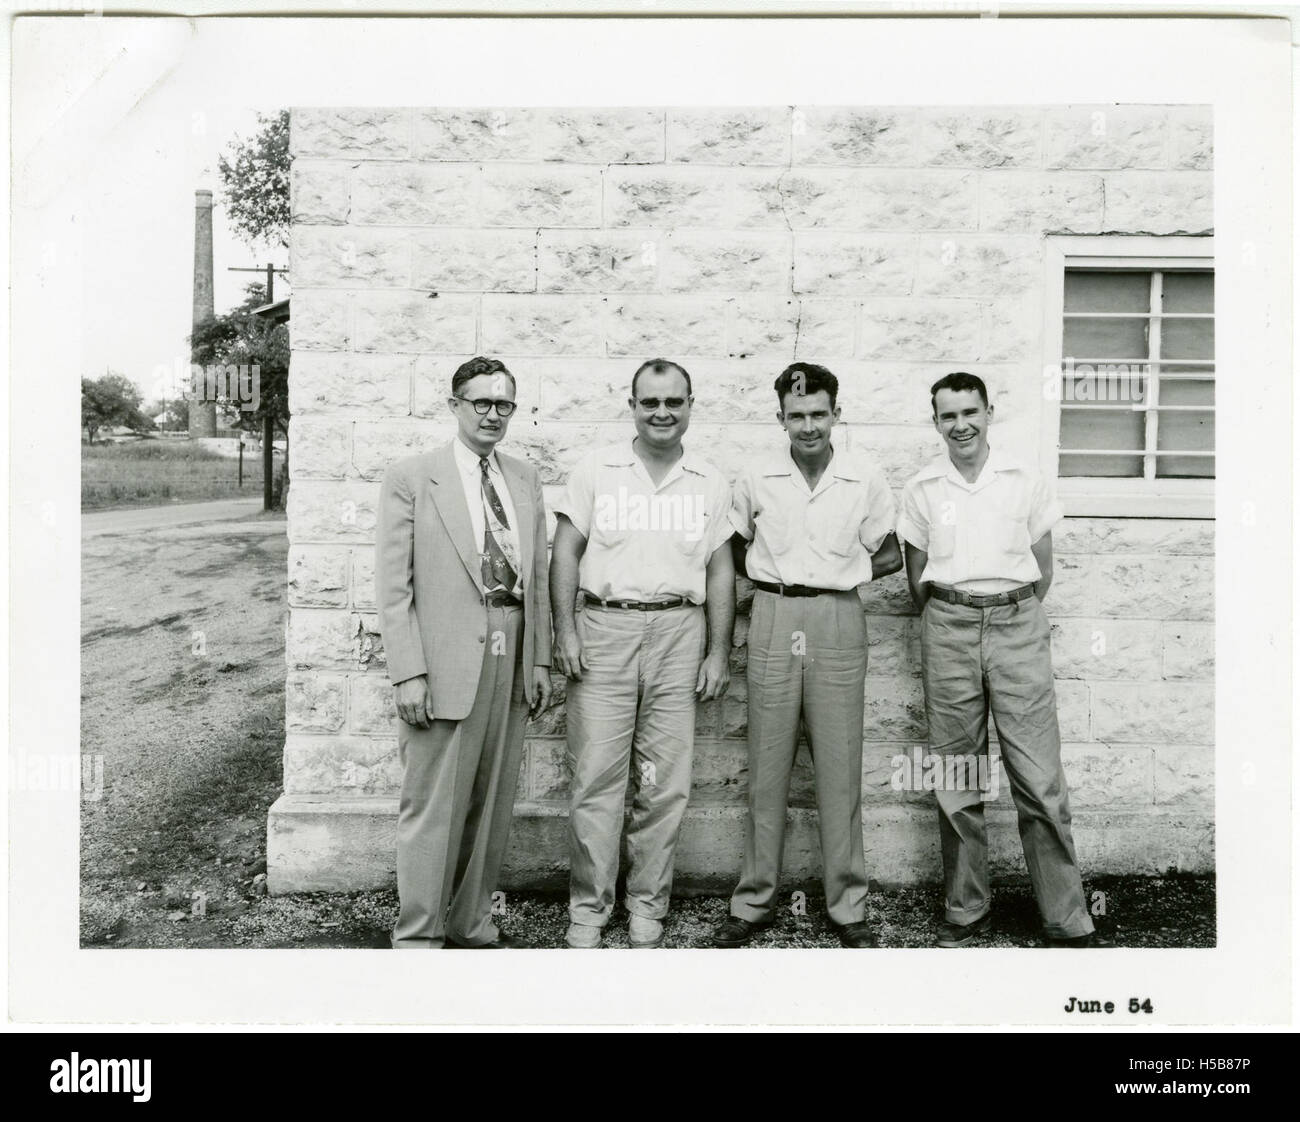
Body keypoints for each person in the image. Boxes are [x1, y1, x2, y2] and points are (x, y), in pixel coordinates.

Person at [896, 371, 1106, 948]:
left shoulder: (1023, 480)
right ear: (935, 421)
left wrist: (1004, 609)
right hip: (948, 625)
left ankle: (1065, 916)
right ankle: (966, 909)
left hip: (1016, 623)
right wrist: (958, 610)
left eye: (970, 412)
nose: (960, 424)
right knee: (957, 774)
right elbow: (917, 580)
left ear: (990, 412)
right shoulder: (922, 489)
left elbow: (1042, 569)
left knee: (1039, 779)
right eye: (947, 416)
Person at [710, 363, 901, 950]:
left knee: (839, 767)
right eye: (797, 415)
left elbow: (890, 553)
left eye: (819, 413)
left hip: (837, 617)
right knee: (766, 767)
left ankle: (848, 907)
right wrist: (779, 579)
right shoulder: (757, 477)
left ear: (836, 414)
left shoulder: (863, 477)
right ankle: (754, 900)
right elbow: (731, 547)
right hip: (773, 614)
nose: (809, 425)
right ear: (781, 419)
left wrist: (838, 572)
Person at [550, 358, 734, 949]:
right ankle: (589, 906)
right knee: (596, 780)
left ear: (689, 405)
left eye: (674, 402)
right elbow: (565, 553)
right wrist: (565, 632)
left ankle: (647, 905)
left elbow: (721, 570)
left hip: (679, 635)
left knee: (664, 782)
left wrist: (718, 651)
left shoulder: (709, 479)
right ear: (632, 405)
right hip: (605, 631)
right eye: (650, 402)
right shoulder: (598, 472)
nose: (662, 412)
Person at [376, 356, 552, 949]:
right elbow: (393, 587)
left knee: (493, 800)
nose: (493, 415)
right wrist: (409, 674)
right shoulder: (411, 477)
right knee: (432, 807)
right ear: (454, 406)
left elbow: (542, 576)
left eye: (504, 404)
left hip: (512, 653)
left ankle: (471, 920)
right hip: (444, 662)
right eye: (481, 402)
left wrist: (541, 662)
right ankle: (419, 935)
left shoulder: (524, 479)